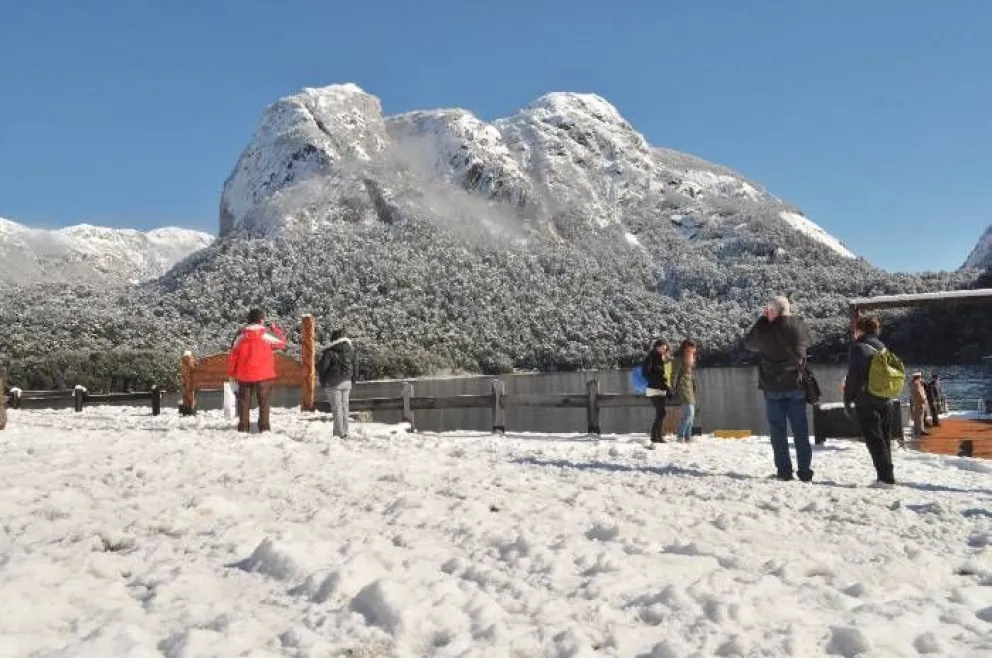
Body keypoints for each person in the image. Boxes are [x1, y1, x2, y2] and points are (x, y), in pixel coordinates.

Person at [744, 295, 814, 482]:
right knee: (801, 431)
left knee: (778, 432)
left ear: (774, 311)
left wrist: (762, 320)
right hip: (796, 385)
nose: (767, 313)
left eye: (769, 310)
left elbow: (749, 344)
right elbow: (807, 345)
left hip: (773, 387)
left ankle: (784, 472)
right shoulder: (800, 325)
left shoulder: (766, 329)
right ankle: (805, 472)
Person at [844, 316, 896, 487]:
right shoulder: (882, 346)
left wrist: (848, 400)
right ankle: (887, 475)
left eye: (854, 330)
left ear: (859, 330)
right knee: (884, 439)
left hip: (867, 400)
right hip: (885, 398)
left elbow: (853, 377)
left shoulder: (858, 348)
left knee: (874, 440)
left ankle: (885, 478)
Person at [227, 309, 287, 433]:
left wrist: (232, 373)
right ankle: (264, 429)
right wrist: (275, 329)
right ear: (261, 320)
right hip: (264, 375)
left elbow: (233, 355)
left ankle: (243, 428)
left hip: (244, 374)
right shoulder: (265, 335)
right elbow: (282, 343)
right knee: (264, 403)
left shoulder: (240, 336)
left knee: (243, 403)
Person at [318, 328, 357, 438]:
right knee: (345, 407)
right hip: (347, 382)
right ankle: (344, 431)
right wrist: (353, 379)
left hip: (333, 383)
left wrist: (322, 380)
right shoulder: (351, 350)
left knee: (337, 408)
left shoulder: (330, 351)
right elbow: (356, 366)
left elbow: (323, 367)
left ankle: (340, 434)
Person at [642, 339, 673, 445]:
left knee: (661, 413)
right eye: (662, 348)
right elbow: (645, 373)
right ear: (656, 347)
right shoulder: (650, 357)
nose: (663, 350)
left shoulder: (664, 358)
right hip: (653, 388)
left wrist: (668, 387)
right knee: (661, 412)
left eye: (665, 349)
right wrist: (654, 379)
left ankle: (656, 436)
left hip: (662, 388)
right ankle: (655, 436)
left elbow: (667, 374)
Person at [671, 339, 699, 443]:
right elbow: (674, 375)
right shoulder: (679, 359)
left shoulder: (690, 359)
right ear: (685, 348)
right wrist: (673, 388)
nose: (693, 349)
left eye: (693, 347)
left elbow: (691, 376)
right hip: (683, 388)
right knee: (689, 413)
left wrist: (694, 387)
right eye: (690, 347)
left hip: (690, 389)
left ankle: (688, 436)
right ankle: (680, 436)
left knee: (691, 415)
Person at [909, 372, 930, 438]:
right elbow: (919, 392)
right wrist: (923, 400)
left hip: (915, 402)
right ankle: (920, 431)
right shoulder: (917, 383)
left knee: (917, 417)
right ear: (919, 377)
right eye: (920, 377)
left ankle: (917, 430)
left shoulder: (912, 383)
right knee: (920, 417)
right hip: (919, 402)